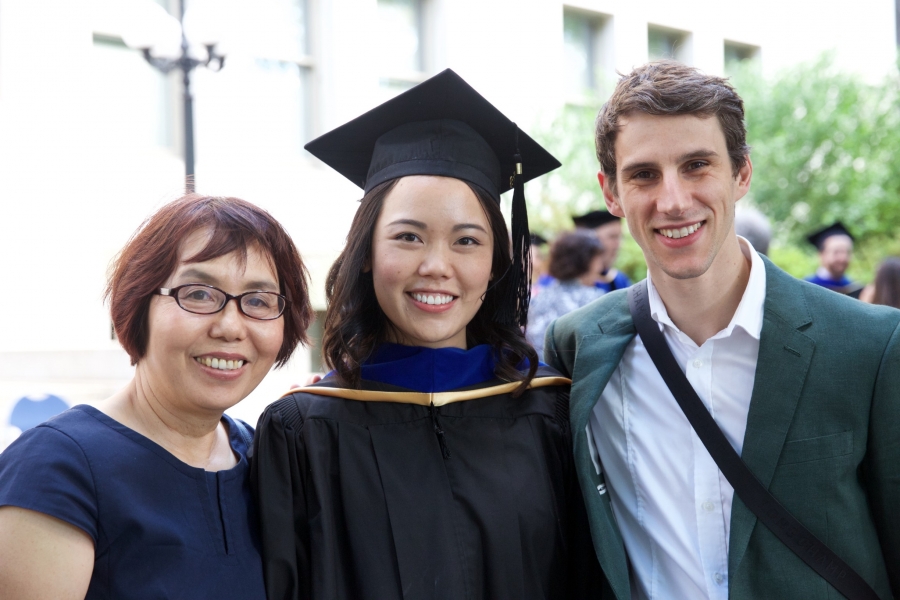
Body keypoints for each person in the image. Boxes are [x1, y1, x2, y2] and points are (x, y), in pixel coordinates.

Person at [545, 61, 899, 599]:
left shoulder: (870, 346)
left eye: (696, 165)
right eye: (643, 174)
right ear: (611, 193)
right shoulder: (580, 347)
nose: (673, 200)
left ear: (742, 174)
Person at [251, 69, 603, 599]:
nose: (437, 266)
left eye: (467, 241)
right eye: (408, 237)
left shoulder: (550, 414)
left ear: (496, 263)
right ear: (367, 253)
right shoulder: (303, 431)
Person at [0, 194, 313, 599]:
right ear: (138, 303)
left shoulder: (262, 459)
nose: (231, 327)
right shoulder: (56, 467)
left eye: (258, 301)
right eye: (199, 293)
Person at [527, 230, 606, 359]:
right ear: (585, 261)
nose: (601, 268)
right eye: (597, 260)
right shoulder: (597, 300)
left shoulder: (537, 298)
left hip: (541, 375)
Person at [572, 209, 632, 292]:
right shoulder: (562, 282)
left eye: (620, 237)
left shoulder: (618, 280)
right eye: (612, 237)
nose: (618, 245)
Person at [804, 221, 863, 298]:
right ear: (821, 255)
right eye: (837, 252)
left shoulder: (852, 287)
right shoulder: (807, 288)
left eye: (847, 252)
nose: (843, 258)